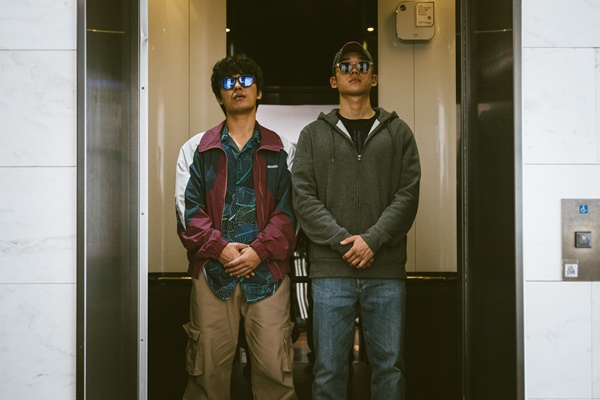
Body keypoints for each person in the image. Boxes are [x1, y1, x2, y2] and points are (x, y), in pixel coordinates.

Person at [291, 41, 421, 400]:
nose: (353, 70)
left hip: (385, 271)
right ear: (334, 80)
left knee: (389, 368)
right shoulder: (313, 135)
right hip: (331, 272)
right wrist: (344, 242)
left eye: (361, 65)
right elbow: (303, 197)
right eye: (344, 66)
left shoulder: (398, 133)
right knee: (328, 371)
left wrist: (372, 240)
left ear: (373, 78)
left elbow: (407, 195)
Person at [175, 53, 298, 400]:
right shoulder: (195, 149)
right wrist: (221, 249)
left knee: (276, 373)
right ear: (219, 96)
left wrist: (259, 251)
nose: (238, 87)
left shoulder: (284, 150)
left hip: (269, 276)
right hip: (213, 275)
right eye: (228, 83)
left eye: (246, 80)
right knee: (207, 376)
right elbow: (187, 212)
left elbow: (291, 213)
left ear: (259, 92)